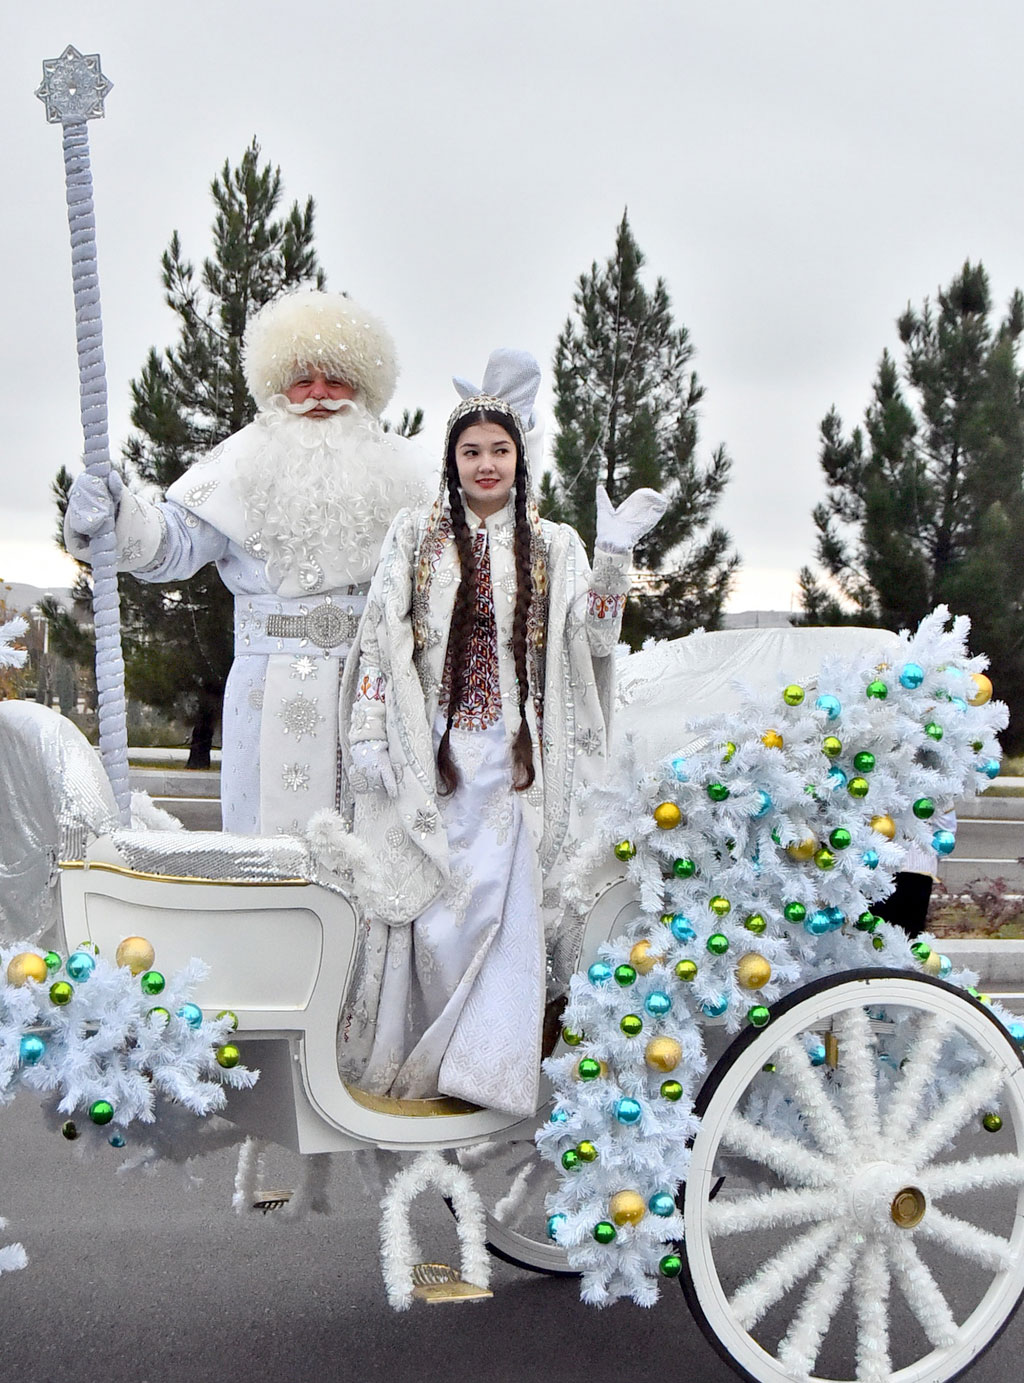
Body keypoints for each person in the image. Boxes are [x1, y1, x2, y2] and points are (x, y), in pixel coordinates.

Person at [335, 349, 666, 1117]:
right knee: (429, 906)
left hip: (515, 764)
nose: (486, 464)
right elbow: (385, 640)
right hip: (433, 754)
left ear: (521, 458)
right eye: (471, 451)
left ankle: (487, 1068)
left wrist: (613, 557)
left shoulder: (556, 547)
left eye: (500, 450)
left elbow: (597, 643)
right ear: (452, 460)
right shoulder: (414, 539)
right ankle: (416, 1063)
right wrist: (370, 732)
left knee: (499, 907)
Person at [64, 290, 432, 835]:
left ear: (364, 385)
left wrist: (515, 439)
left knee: (374, 852)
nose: (318, 396)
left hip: (375, 689)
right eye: (302, 380)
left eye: (335, 379)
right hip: (267, 692)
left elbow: (470, 545)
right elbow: (172, 544)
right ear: (278, 385)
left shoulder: (408, 468)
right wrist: (117, 516)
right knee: (267, 850)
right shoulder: (243, 459)